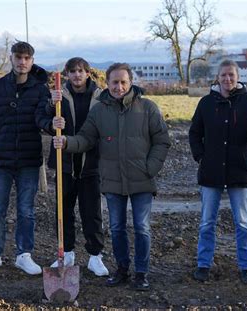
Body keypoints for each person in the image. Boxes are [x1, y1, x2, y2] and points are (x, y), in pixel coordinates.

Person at [52, 63, 170, 291]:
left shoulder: (147, 108)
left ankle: (142, 273)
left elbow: (162, 140)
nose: (119, 87)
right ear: (107, 83)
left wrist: (151, 168)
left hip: (142, 180)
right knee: (116, 227)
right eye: (114, 82)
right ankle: (122, 269)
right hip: (113, 181)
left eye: (123, 82)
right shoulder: (99, 111)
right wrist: (67, 142)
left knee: (142, 227)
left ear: (131, 82)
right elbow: (86, 138)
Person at [189, 59, 247, 285]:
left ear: (238, 77)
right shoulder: (206, 103)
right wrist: (201, 157)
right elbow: (194, 132)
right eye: (223, 75)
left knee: (243, 222)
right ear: (217, 77)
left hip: (240, 170)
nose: (227, 79)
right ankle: (203, 264)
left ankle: (246, 266)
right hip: (211, 172)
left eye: (231, 75)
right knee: (207, 221)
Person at [0, 41, 52, 275]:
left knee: (26, 210)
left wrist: (52, 122)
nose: (22, 61)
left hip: (28, 160)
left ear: (32, 61)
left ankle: (23, 255)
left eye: (27, 58)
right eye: (18, 57)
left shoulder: (40, 90)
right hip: (0, 161)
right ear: (11, 59)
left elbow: (43, 118)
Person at [47, 57, 108, 276]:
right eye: (72, 71)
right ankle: (67, 252)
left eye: (81, 71)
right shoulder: (58, 96)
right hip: (65, 164)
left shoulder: (100, 97)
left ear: (88, 73)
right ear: (67, 75)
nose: (77, 75)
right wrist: (50, 116)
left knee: (91, 212)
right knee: (63, 210)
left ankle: (95, 256)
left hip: (91, 163)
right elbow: (43, 120)